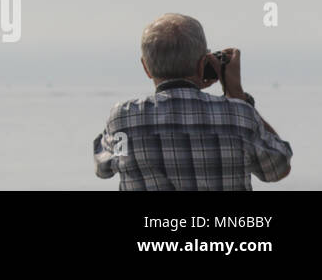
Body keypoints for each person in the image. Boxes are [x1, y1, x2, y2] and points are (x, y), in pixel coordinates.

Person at [93, 13, 292, 190]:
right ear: (204, 64)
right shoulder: (239, 115)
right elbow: (278, 168)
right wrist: (237, 95)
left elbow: (103, 168)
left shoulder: (123, 118)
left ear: (146, 67)